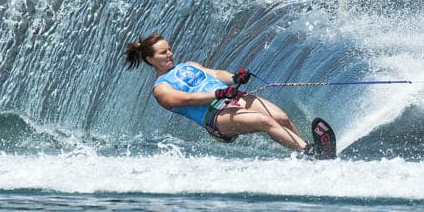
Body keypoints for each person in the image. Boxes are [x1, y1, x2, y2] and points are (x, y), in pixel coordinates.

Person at [124, 33, 327, 157]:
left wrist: (235, 77)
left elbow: (216, 74)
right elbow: (186, 100)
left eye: (169, 49)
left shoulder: (189, 65)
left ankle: (305, 153)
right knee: (265, 121)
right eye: (162, 53)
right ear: (150, 60)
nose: (169, 54)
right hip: (215, 117)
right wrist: (217, 94)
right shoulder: (161, 88)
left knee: (281, 117)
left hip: (231, 96)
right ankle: (311, 153)